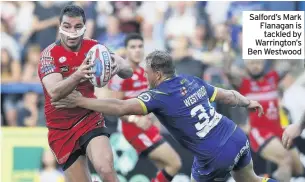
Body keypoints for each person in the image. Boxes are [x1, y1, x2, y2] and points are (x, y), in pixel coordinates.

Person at [52, 50, 278, 182]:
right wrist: (248, 101)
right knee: (253, 180)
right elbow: (227, 96)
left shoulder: (159, 95)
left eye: (148, 71)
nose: (145, 75)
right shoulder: (191, 80)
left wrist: (80, 101)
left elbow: (121, 108)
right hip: (236, 136)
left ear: (157, 74)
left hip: (212, 155)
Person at [38, 5, 133, 182]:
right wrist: (78, 74)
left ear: (84, 27)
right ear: (60, 26)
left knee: (105, 168)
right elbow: (54, 92)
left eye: (77, 26)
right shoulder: (48, 55)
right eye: (67, 26)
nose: (72, 32)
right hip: (60, 128)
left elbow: (127, 69)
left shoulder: (94, 48)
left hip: (89, 118)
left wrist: (116, 66)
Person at [108, 33, 181, 182]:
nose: (137, 50)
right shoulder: (121, 75)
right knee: (175, 163)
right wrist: (135, 119)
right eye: (133, 47)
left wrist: (154, 118)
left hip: (147, 127)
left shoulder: (144, 73)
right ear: (126, 50)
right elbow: (115, 108)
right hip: (133, 130)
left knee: (164, 169)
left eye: (140, 46)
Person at [225, 59, 304, 181]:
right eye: (251, 63)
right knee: (285, 159)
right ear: (246, 65)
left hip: (278, 130)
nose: (255, 66)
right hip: (260, 132)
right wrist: (226, 47)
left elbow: (293, 63)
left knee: (298, 168)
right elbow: (227, 70)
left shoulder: (273, 77)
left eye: (258, 63)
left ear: (263, 63)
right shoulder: (244, 83)